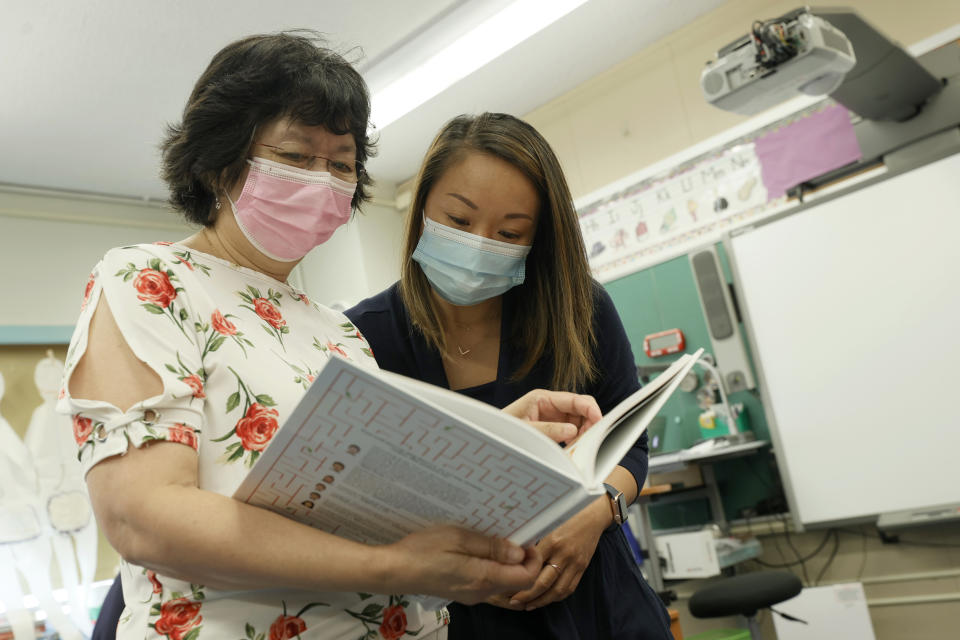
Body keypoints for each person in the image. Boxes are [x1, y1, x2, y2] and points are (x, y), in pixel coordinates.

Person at [66, 34, 605, 640]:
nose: (322, 181)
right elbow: (145, 520)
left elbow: (355, 496)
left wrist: (498, 439)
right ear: (220, 160)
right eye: (297, 156)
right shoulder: (150, 282)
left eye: (341, 164)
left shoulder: (336, 329)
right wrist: (394, 567)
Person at [346, 113, 674, 639]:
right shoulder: (362, 338)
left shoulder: (577, 308)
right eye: (458, 220)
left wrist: (596, 512)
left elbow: (630, 444)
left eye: (509, 233)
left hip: (597, 602)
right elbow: (358, 500)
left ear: (537, 238)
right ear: (421, 210)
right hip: (457, 618)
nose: (479, 244)